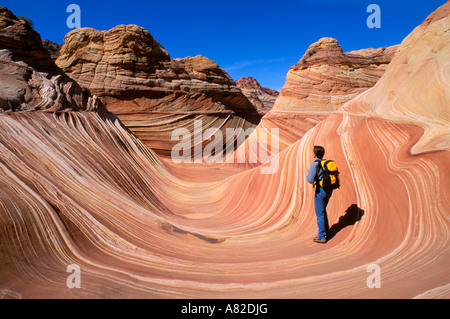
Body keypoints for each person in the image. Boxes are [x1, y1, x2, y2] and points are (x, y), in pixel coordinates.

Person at [307, 145, 332, 244]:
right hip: (329, 190)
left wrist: (307, 175)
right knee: (323, 210)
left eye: (313, 151)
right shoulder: (325, 163)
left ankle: (321, 236)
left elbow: (310, 180)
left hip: (321, 191)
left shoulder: (314, 165)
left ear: (315, 154)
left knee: (320, 214)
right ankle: (327, 231)